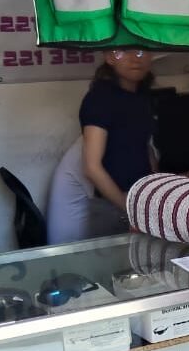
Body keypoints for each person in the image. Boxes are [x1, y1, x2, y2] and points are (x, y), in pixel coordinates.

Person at [47, 50, 156, 243]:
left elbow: (145, 147)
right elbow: (92, 168)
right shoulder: (100, 99)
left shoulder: (142, 98)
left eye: (141, 51)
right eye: (123, 52)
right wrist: (131, 210)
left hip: (129, 198)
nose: (134, 58)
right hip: (101, 204)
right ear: (109, 58)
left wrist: (158, 190)